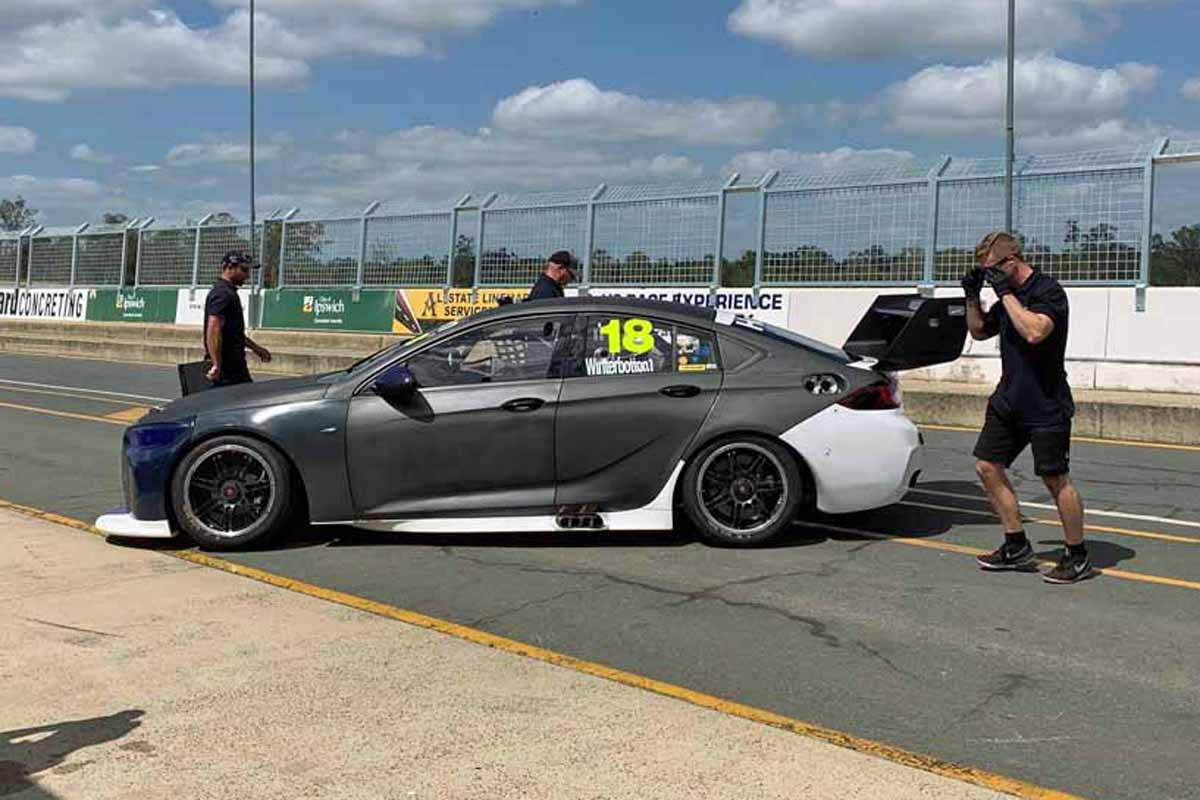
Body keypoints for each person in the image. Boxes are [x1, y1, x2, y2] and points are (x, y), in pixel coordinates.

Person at [963, 231, 1091, 584]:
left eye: (992, 269)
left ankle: (1077, 554)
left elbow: (1035, 331)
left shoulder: (1048, 291)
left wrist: (1004, 293)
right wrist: (972, 296)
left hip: (1046, 403)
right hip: (1008, 400)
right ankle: (1016, 544)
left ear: (1012, 261)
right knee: (987, 466)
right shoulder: (1007, 297)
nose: (990, 277)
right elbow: (978, 331)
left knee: (1055, 478)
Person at [204, 250, 271, 387]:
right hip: (226, 370)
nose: (247, 275)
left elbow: (234, 333)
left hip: (235, 366)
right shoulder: (222, 293)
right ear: (229, 267)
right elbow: (213, 328)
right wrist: (216, 364)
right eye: (244, 270)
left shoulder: (228, 292)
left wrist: (256, 349)